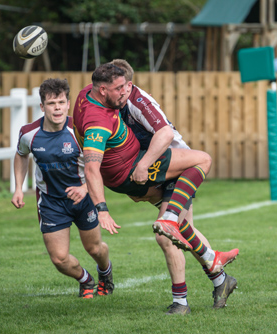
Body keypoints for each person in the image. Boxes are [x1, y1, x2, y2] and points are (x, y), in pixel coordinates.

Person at [72, 63, 239, 314]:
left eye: (127, 84)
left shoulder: (137, 100)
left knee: (167, 233)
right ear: (103, 89)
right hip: (149, 169)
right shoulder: (97, 102)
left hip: (178, 170)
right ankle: (218, 275)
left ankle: (182, 302)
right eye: (119, 86)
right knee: (181, 229)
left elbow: (164, 134)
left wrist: (143, 165)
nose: (125, 90)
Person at [11, 78, 114, 299]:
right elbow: (21, 155)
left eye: (61, 102)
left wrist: (85, 188)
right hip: (51, 202)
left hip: (84, 199)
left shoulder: (80, 130)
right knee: (59, 258)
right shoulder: (29, 133)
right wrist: (18, 188)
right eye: (51, 103)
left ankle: (105, 272)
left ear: (68, 104)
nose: (56, 107)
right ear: (42, 107)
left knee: (95, 249)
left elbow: (100, 166)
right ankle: (86, 280)